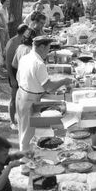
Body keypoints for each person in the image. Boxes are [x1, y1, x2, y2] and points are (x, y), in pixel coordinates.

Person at [15, 36, 73, 168]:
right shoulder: (39, 63)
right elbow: (49, 87)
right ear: (41, 47)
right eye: (48, 48)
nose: (49, 51)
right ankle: (25, 163)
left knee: (23, 130)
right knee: (28, 133)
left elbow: (20, 77)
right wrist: (64, 80)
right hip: (30, 98)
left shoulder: (25, 57)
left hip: (22, 94)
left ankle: (25, 159)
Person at [5, 24, 28, 130]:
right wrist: (12, 78)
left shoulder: (23, 42)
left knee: (22, 97)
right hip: (13, 72)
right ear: (23, 33)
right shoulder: (12, 43)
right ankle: (12, 121)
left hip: (21, 72)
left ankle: (20, 118)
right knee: (13, 98)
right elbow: (8, 62)